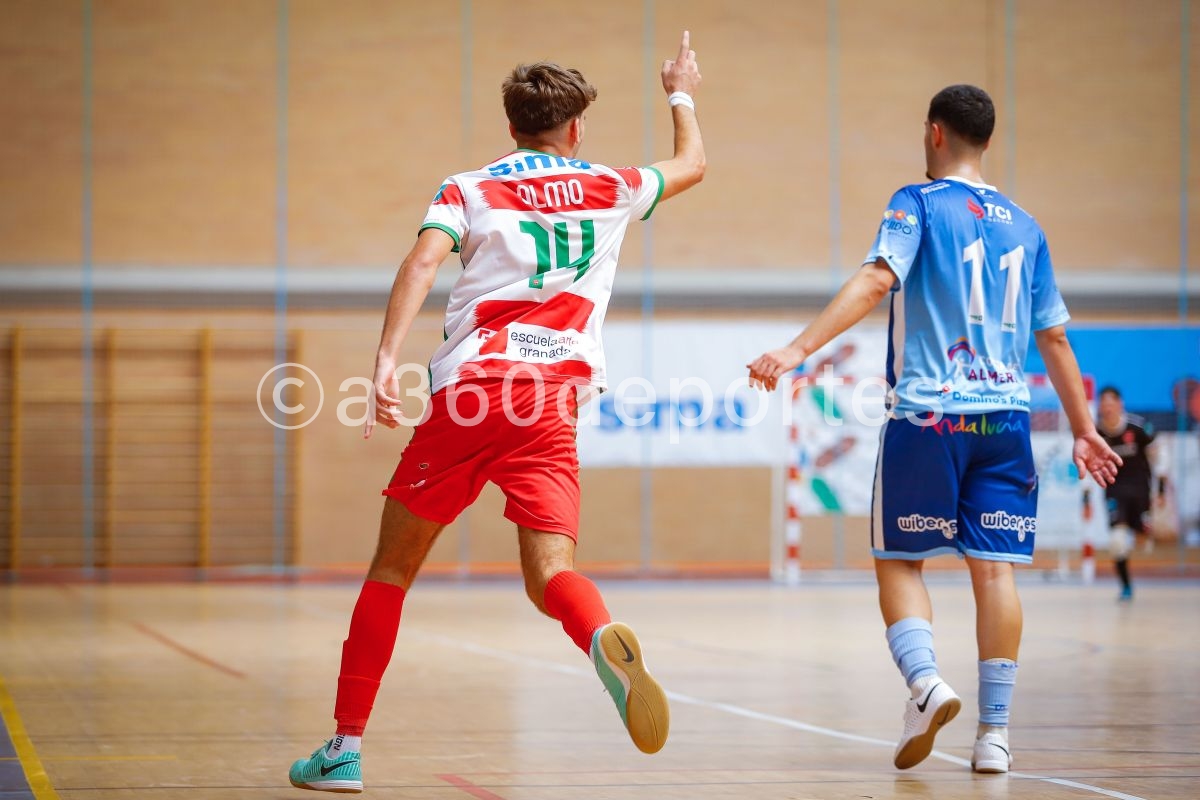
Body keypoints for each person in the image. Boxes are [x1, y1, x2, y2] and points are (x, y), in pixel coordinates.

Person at [289, 33, 705, 793]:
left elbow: (422, 261)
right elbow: (692, 165)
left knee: (392, 569)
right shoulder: (610, 185)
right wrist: (680, 91)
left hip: (472, 391)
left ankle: (344, 747)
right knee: (551, 576)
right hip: (550, 400)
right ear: (576, 128)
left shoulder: (469, 188)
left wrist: (384, 359)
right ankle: (599, 635)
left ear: (512, 125)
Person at [748, 85, 1121, 775]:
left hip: (929, 414)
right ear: (989, 140)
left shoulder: (916, 203)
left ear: (935, 132)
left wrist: (799, 349)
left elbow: (875, 281)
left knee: (899, 560)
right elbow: (1055, 339)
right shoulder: (1027, 227)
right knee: (996, 572)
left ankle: (924, 683)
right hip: (1006, 419)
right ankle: (994, 735)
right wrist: (1082, 428)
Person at [1083, 386, 1166, 601]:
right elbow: (1088, 466)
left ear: (1120, 405)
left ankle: (1142, 530)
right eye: (1104, 404)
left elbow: (1160, 456)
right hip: (1114, 491)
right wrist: (1086, 497)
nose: (1107, 408)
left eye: (1111, 404)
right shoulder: (1096, 433)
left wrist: (1161, 489)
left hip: (1141, 491)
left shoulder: (1138, 427)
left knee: (1144, 541)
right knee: (1117, 542)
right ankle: (1126, 586)